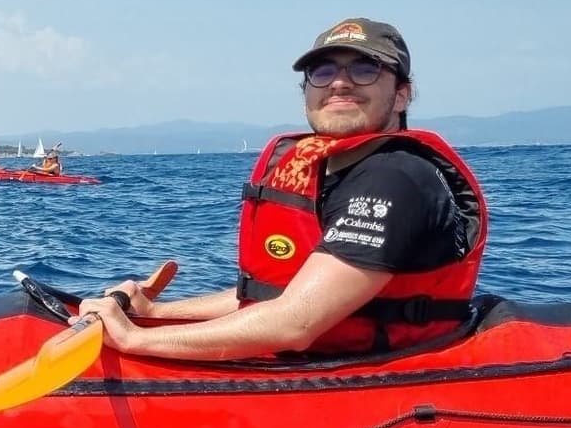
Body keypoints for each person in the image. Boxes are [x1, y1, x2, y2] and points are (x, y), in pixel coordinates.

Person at [78, 18, 487, 360]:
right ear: (306, 91)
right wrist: (158, 312)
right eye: (323, 72)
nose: (339, 84)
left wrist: (137, 340)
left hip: (374, 376)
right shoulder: (339, 170)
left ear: (402, 94)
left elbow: (294, 322)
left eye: (365, 70)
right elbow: (276, 297)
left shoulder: (394, 178)